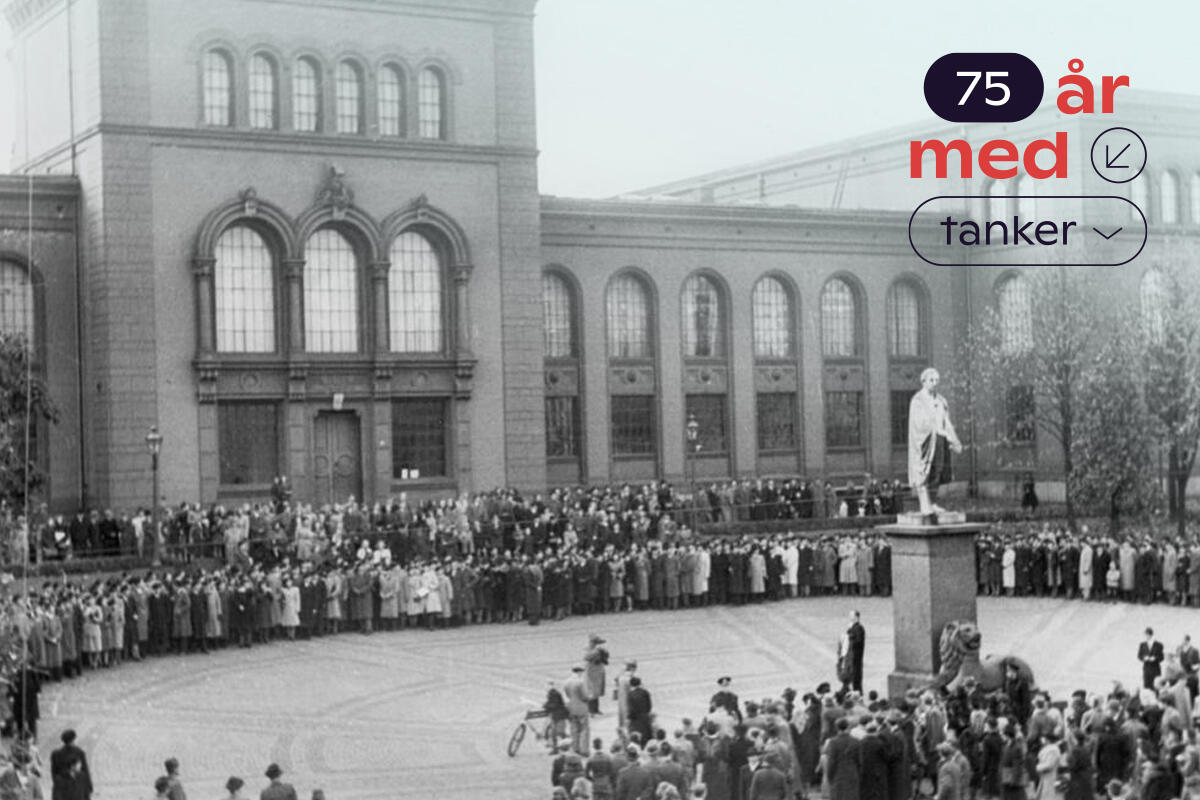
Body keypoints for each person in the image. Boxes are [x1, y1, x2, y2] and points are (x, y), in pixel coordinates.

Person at [907, 367, 963, 516]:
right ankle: (924, 503)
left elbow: (947, 421)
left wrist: (954, 439)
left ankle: (932, 502)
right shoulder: (918, 400)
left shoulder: (941, 400)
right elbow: (917, 423)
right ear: (924, 381)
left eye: (936, 381)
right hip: (925, 441)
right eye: (931, 380)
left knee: (937, 471)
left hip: (940, 439)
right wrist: (930, 428)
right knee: (926, 470)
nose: (934, 383)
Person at [50, 729, 92, 800]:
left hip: (62, 785)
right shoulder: (79, 753)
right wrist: (89, 787)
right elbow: (85, 770)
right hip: (75, 788)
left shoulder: (56, 754)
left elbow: (54, 772)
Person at [564, 665, 592, 755]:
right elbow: (585, 696)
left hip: (571, 707)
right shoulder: (580, 682)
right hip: (581, 708)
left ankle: (575, 748)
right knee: (584, 729)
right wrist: (589, 697)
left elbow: (567, 694)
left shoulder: (567, 682)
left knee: (574, 729)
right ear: (579, 672)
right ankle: (584, 749)